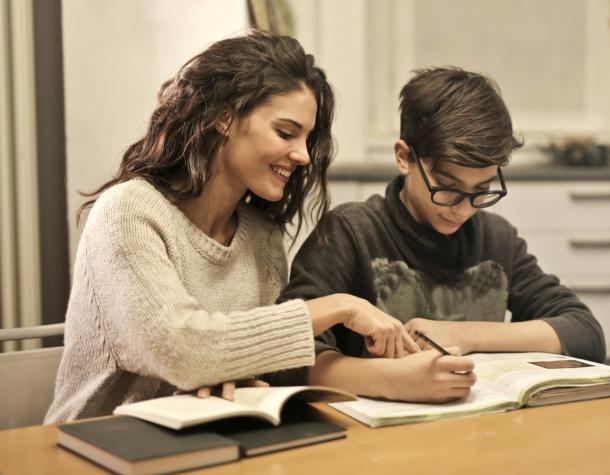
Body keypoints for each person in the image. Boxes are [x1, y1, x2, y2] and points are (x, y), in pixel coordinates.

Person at [45, 30, 418, 424]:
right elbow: (182, 349)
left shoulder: (261, 236)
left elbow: (241, 362)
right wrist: (339, 306)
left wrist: (239, 379)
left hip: (207, 443)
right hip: (92, 447)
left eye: (308, 139)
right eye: (287, 133)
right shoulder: (128, 213)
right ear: (225, 116)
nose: (303, 156)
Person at [278, 67, 605, 403]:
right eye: (447, 189)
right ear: (404, 157)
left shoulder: (496, 238)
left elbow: (584, 331)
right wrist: (391, 380)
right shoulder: (351, 233)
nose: (463, 209)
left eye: (481, 190)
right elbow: (283, 354)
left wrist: (465, 335)